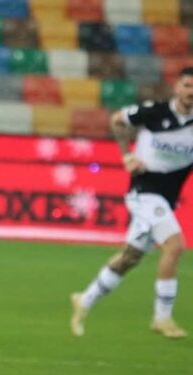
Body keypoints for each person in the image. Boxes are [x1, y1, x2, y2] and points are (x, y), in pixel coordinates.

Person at [71, 67, 193, 338]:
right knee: (174, 246)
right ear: (177, 87)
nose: (191, 92)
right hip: (144, 192)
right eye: (187, 85)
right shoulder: (154, 112)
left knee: (130, 257)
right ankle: (162, 318)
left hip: (166, 199)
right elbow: (118, 120)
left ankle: (84, 299)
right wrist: (127, 155)